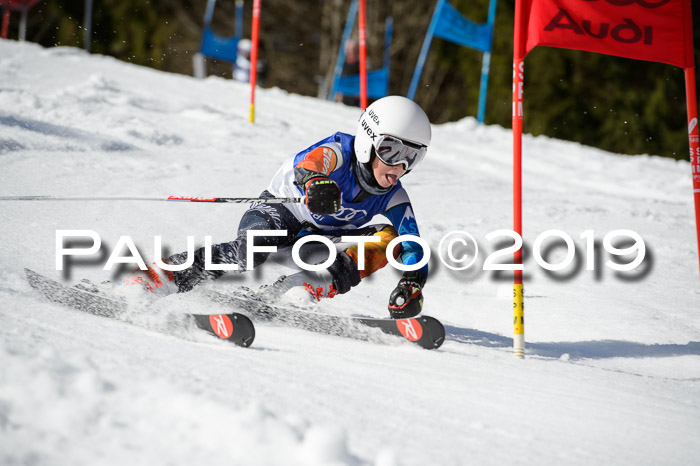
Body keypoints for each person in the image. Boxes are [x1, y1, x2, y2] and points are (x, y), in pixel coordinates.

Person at [133, 96, 431, 319]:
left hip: (317, 243)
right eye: (391, 150)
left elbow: (412, 245)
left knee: (389, 238)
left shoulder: (394, 196)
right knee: (249, 251)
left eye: (412, 157)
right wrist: (315, 182)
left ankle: (301, 289)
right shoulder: (340, 151)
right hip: (278, 216)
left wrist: (412, 282)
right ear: (368, 142)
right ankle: (164, 275)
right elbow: (312, 163)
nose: (400, 165)